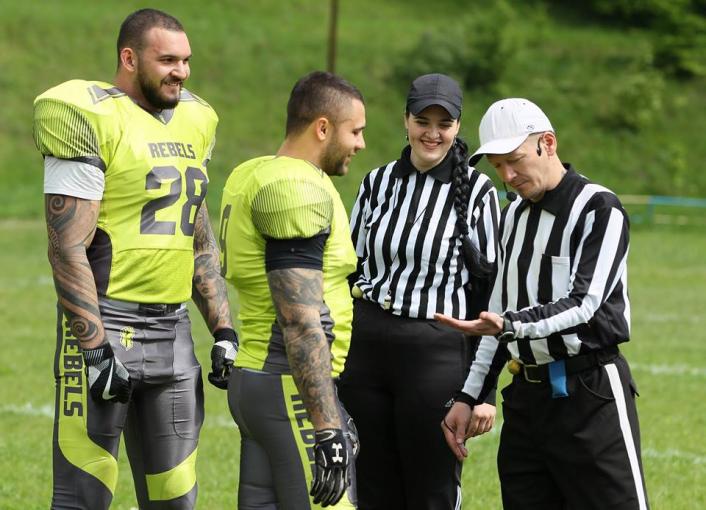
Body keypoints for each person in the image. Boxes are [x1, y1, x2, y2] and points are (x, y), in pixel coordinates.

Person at [33, 8, 238, 509]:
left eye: (186, 60)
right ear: (129, 58)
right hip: (106, 323)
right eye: (167, 60)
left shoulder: (196, 119)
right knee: (83, 495)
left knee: (175, 498)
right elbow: (66, 246)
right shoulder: (90, 116)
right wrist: (94, 348)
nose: (181, 72)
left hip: (173, 331)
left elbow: (197, 235)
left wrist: (224, 330)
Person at [436, 98, 650, 510]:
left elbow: (584, 304)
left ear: (547, 143)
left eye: (514, 160)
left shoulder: (599, 208)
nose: (507, 175)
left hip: (590, 394)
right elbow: (498, 309)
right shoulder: (512, 216)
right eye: (498, 166)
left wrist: (510, 325)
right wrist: (468, 395)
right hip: (526, 401)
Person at [337, 73, 500, 510]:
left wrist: (483, 392)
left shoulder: (479, 192)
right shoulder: (377, 183)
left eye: (443, 124)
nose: (432, 133)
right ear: (405, 120)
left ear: (458, 126)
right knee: (370, 484)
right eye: (422, 121)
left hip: (435, 352)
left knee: (432, 487)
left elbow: (489, 294)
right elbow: (349, 268)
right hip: (366, 349)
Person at [218, 71, 366, 509]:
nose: (360, 144)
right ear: (322, 128)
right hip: (288, 382)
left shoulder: (250, 173)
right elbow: (300, 321)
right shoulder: (293, 187)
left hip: (258, 379)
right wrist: (327, 425)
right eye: (355, 131)